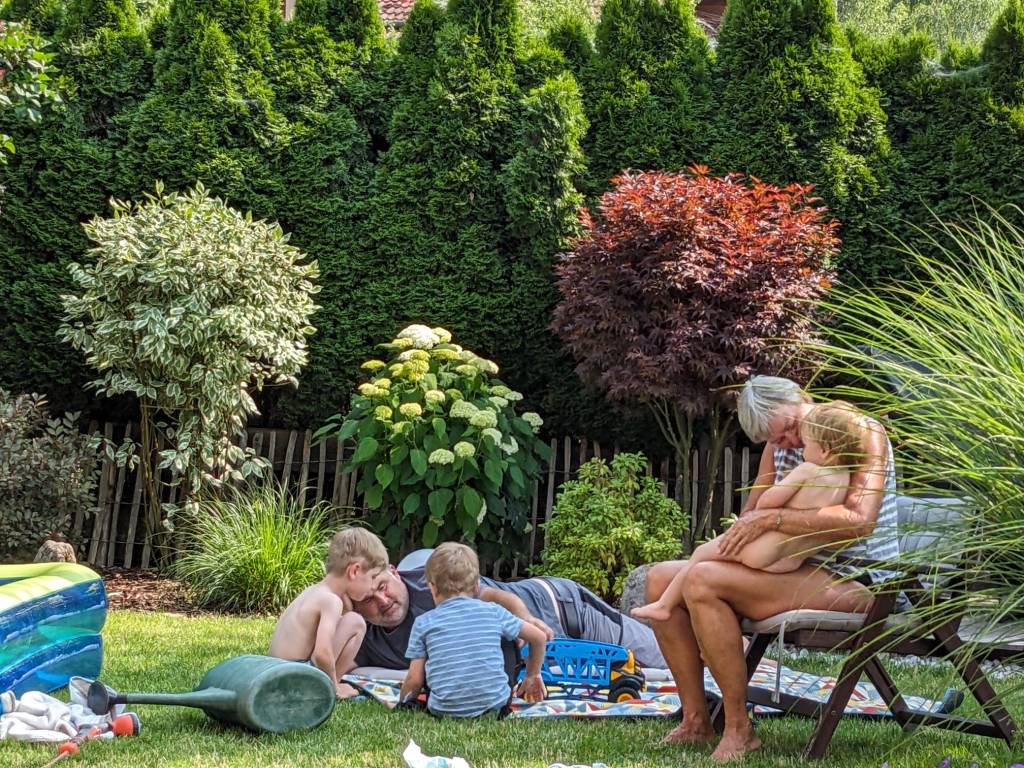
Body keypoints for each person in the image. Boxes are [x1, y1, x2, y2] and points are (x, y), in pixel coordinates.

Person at [645, 376, 898, 762]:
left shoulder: (859, 431)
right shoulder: (778, 448)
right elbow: (752, 512)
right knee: (660, 578)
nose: (790, 443)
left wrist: (774, 520)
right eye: (777, 440)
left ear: (803, 398)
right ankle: (696, 721)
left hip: (856, 578)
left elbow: (860, 520)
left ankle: (738, 729)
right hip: (790, 566)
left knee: (702, 580)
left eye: (791, 429)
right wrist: (739, 539)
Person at [632, 401, 868, 623]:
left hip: (763, 550)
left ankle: (664, 605)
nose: (801, 447)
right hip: (789, 562)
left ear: (824, 451)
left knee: (702, 554)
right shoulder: (845, 480)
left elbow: (766, 502)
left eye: (808, 443)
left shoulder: (808, 470)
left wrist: (779, 497)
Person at [349, 540, 668, 671]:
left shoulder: (430, 579)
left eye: (382, 587)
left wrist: (525, 619)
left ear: (394, 571)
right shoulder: (364, 637)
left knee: (669, 662)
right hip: (551, 657)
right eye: (368, 600)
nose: (382, 601)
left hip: (564, 609)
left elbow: (493, 595)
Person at [397, 543, 548, 717]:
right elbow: (539, 637)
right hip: (495, 708)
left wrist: (403, 703)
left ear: (432, 587)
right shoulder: (494, 611)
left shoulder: (423, 622)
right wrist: (532, 675)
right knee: (507, 639)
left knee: (432, 650)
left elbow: (414, 679)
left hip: (443, 711)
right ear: (477, 586)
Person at [268, 526, 389, 699]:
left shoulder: (314, 591)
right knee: (355, 622)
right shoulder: (331, 601)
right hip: (293, 681)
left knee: (350, 618)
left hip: (273, 675)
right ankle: (328, 687)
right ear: (354, 571)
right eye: (372, 577)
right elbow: (322, 653)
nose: (372, 587)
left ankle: (328, 684)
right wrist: (334, 688)